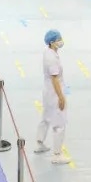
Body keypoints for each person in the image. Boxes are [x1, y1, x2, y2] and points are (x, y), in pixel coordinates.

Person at [34, 29, 68, 163]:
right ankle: (57, 155)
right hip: (54, 92)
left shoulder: (48, 52)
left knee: (46, 117)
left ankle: (40, 142)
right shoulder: (52, 59)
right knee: (60, 122)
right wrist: (61, 97)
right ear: (52, 42)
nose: (61, 41)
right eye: (58, 39)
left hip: (47, 91)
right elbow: (55, 78)